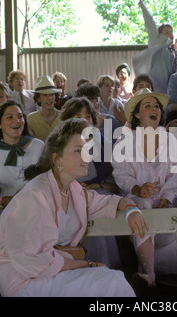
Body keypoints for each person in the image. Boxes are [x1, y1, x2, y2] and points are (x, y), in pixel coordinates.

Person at [0, 118, 152, 297]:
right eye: (78, 151)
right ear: (57, 159)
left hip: (53, 275)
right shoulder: (36, 195)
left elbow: (107, 202)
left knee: (111, 279)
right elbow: (33, 262)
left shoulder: (73, 191)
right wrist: (89, 264)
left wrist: (131, 209)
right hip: (25, 282)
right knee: (110, 281)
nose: (87, 156)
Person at [112, 88, 177, 285]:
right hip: (135, 201)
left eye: (157, 106)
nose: (155, 109)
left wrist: (166, 198)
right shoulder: (125, 141)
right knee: (142, 204)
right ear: (136, 114)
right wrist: (137, 189)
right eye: (148, 105)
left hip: (164, 201)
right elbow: (121, 173)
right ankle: (148, 274)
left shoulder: (169, 140)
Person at [60, 97, 121, 269]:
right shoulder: (57, 145)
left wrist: (98, 187)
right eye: (77, 115)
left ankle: (105, 266)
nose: (84, 120)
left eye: (87, 115)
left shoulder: (105, 143)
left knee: (98, 206)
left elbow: (118, 182)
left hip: (100, 194)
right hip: (66, 195)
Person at [0, 100, 44, 214]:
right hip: (5, 214)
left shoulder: (38, 147)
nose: (17, 121)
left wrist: (17, 200)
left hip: (36, 211)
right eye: (10, 117)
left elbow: (46, 184)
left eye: (20, 116)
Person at [132, 0, 177, 94]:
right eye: (166, 31)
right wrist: (142, 6)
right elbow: (150, 24)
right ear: (159, 34)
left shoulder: (172, 53)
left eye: (171, 32)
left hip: (168, 91)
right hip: (154, 89)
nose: (170, 34)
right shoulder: (156, 43)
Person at [27, 76, 62, 141]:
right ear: (38, 98)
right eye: (45, 95)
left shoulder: (63, 117)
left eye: (51, 94)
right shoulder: (31, 119)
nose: (49, 98)